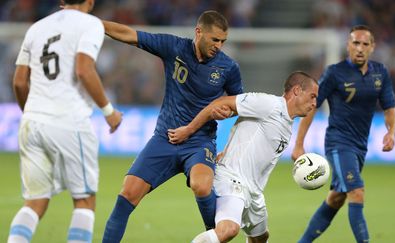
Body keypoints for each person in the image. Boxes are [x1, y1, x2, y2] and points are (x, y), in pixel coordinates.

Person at [101, 10, 243, 242]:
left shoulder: (228, 67)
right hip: (164, 139)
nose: (219, 45)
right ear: (199, 32)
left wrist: (226, 111)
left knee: (202, 185)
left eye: (223, 41)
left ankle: (215, 238)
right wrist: (93, 23)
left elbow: (239, 104)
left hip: (200, 143)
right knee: (127, 194)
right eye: (215, 39)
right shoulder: (174, 47)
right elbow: (129, 34)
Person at [7, 0, 123, 243]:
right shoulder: (91, 24)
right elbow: (84, 69)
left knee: (35, 201)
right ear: (90, 1)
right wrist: (108, 110)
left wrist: (31, 112)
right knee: (84, 200)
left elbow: (19, 81)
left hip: (31, 122)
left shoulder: (37, 27)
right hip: (69, 121)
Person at [168, 71, 319, 243]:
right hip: (233, 180)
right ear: (297, 90)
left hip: (254, 191)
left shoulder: (286, 122)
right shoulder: (269, 104)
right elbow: (222, 102)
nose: (314, 103)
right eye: (312, 96)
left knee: (260, 238)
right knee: (228, 230)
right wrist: (189, 130)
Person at [292, 25, 395, 243]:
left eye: (365, 44)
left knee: (336, 198)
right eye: (355, 43)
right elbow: (312, 106)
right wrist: (299, 144)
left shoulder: (380, 72)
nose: (360, 48)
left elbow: (389, 108)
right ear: (348, 45)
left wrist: (392, 132)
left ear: (372, 47)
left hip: (360, 146)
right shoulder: (335, 73)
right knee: (357, 192)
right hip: (338, 144)